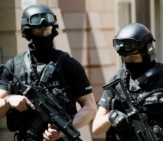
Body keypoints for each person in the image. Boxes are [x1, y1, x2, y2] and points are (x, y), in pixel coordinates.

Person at [0, 4, 97, 141]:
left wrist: (64, 130)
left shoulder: (69, 64)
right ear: (28, 31)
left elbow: (90, 107)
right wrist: (9, 100)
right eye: (39, 29)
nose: (45, 33)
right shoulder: (13, 66)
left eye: (48, 28)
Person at [92, 22, 163, 141]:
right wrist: (111, 117)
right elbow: (96, 128)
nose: (129, 61)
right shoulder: (117, 82)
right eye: (125, 58)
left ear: (147, 52)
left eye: (133, 57)